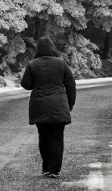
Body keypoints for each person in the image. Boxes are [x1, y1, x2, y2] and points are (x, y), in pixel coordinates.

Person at [20, 37, 77, 178]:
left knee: (44, 137)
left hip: (39, 105)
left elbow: (26, 84)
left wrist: (37, 83)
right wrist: (70, 104)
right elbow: (71, 85)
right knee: (57, 138)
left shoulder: (32, 65)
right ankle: (55, 170)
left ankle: (46, 167)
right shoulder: (61, 64)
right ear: (53, 49)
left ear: (38, 50)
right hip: (59, 104)